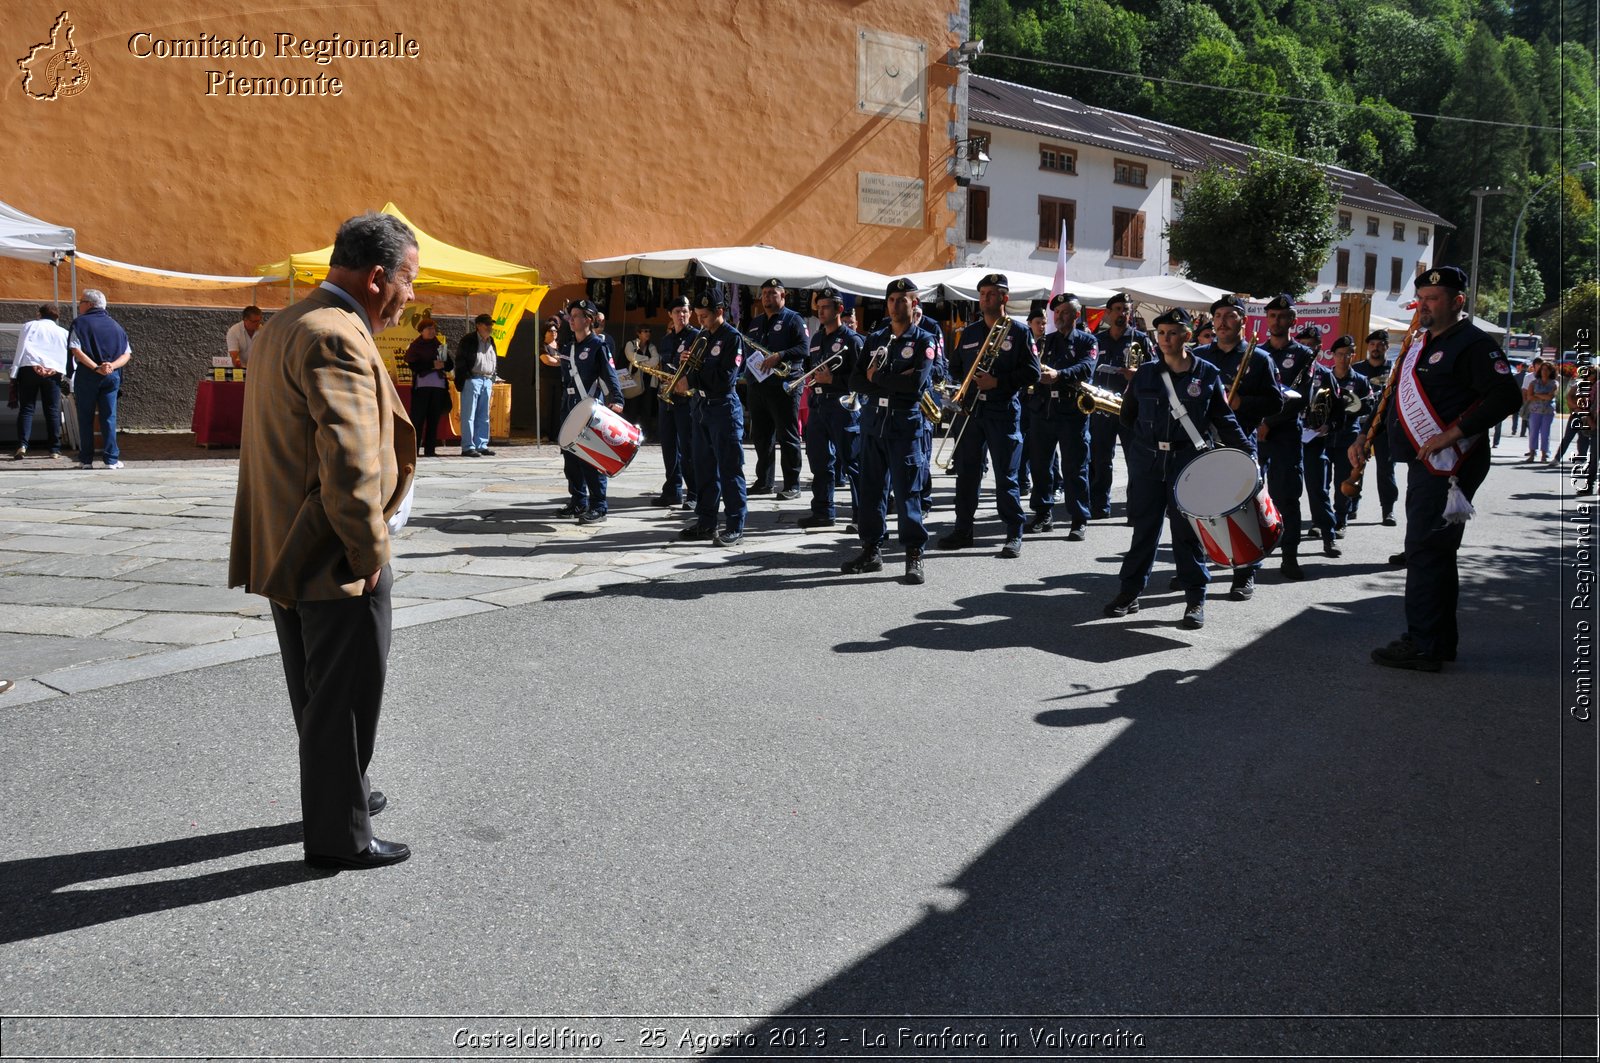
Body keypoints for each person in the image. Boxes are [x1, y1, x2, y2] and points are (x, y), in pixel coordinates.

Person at [229, 211, 419, 870]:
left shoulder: (285, 323)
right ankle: (341, 833)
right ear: (376, 277)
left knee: (316, 690)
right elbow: (348, 462)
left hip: (284, 541)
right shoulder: (335, 335)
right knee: (343, 692)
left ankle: (346, 791)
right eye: (408, 280)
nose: (411, 296)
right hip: (331, 547)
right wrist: (369, 554)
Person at [1358, 267, 1521, 672]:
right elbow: (1394, 393)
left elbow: (1505, 396)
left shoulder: (1473, 344)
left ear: (1457, 302)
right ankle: (1439, 640)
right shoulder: (1420, 342)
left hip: (1448, 464)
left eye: (1433, 298)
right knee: (1436, 551)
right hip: (1424, 461)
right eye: (1422, 297)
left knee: (1426, 550)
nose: (1424, 305)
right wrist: (1364, 435)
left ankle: (1423, 643)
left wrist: (1453, 433)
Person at [1103, 308, 1249, 630]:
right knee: (1144, 531)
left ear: (1186, 335)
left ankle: (1195, 598)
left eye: (1172, 333)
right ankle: (1129, 592)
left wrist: (1247, 454)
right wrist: (1142, 450)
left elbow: (1224, 420)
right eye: (1161, 333)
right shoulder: (1145, 374)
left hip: (1189, 466)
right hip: (1149, 464)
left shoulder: (1207, 374)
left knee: (1187, 535)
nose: (1165, 339)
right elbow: (1127, 416)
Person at [936, 273, 1040, 557]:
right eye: (982, 294)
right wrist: (964, 385)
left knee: (1006, 475)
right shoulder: (969, 333)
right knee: (966, 474)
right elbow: (955, 367)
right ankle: (963, 530)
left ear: (1004, 298)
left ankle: (1013, 532)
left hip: (1002, 409)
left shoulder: (1019, 332)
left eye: (992, 294)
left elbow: (1034, 372)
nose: (985, 299)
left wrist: (998, 381)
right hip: (972, 410)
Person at [842, 277, 935, 584]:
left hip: (903, 425)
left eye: (902, 300)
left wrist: (878, 376)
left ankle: (914, 555)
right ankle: (871, 550)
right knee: (870, 492)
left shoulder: (925, 340)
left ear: (914, 303)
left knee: (908, 491)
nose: (896, 305)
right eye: (892, 300)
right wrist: (892, 377)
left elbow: (916, 384)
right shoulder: (875, 338)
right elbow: (856, 381)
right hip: (872, 423)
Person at [1190, 293, 1283, 600]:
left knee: (1244, 508)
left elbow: (1276, 401)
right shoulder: (1200, 355)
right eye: (1217, 317)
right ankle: (1196, 569)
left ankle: (1245, 573)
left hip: (1240, 440)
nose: (1222, 322)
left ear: (1243, 321)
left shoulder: (1259, 358)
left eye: (1230, 316)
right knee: (1203, 507)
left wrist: (1244, 402)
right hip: (1202, 443)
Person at [1254, 294, 1324, 580]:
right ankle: (1249, 554)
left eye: (1282, 316)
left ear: (1293, 320)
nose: (1276, 321)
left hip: (1283, 435)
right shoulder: (1257, 353)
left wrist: (1268, 423)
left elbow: (1300, 398)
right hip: (1255, 433)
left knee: (1286, 496)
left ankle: (1290, 556)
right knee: (1249, 495)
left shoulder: (1304, 355)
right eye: (1272, 316)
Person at [675, 287, 747, 546]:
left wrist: (693, 374)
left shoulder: (732, 338)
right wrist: (686, 362)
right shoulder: (702, 336)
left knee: (729, 468)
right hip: (701, 408)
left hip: (723, 409)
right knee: (703, 467)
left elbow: (726, 379)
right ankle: (707, 521)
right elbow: (695, 370)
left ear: (719, 311)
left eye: (704, 316)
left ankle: (736, 524)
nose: (699, 321)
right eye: (698, 316)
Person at [1025, 293, 1098, 540]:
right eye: (1056, 312)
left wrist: (1059, 374)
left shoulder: (1088, 341)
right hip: (1043, 410)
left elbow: (1086, 368)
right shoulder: (1046, 340)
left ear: (1076, 315)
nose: (1059, 316)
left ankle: (1079, 518)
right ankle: (1043, 514)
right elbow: (1031, 366)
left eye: (1065, 312)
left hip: (1072, 412)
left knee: (1075, 467)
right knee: (1041, 465)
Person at [549, 300, 624, 523]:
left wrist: (617, 399)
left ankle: (598, 506)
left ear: (589, 320)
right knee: (570, 458)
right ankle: (578, 501)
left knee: (591, 459)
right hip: (569, 406)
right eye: (570, 316)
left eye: (576, 316)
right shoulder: (568, 347)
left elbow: (610, 376)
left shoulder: (599, 346)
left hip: (589, 407)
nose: (571, 320)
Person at [798, 287, 862, 530]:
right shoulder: (816, 338)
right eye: (819, 307)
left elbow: (860, 381)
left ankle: (861, 515)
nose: (820, 311)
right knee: (820, 461)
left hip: (843, 407)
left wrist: (832, 381)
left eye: (826, 307)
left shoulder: (852, 340)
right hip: (819, 405)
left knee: (852, 462)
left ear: (839, 309)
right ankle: (823, 511)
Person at [743, 278, 809, 499]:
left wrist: (780, 356)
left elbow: (804, 348)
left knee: (787, 435)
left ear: (783, 296)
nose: (767, 297)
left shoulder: (793, 320)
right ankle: (764, 481)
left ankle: (792, 485)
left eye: (772, 293)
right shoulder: (755, 322)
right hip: (758, 387)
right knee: (761, 437)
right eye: (764, 293)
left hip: (783, 386)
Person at [1304, 335, 1373, 541]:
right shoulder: (1323, 376)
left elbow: (1368, 406)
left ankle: (1341, 520)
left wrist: (1349, 407)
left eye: (1348, 354)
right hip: (1322, 437)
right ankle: (1320, 522)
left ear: (1353, 355)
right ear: (1333, 355)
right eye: (1340, 354)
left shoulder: (1360, 380)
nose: (1344, 358)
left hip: (1347, 437)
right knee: (1320, 483)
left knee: (1343, 480)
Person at [1089, 292, 1149, 520]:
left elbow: (1153, 370)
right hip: (1103, 407)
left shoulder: (1140, 339)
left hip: (1131, 408)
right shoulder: (1098, 339)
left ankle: (1134, 507)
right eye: (1117, 309)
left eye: (1125, 309)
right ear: (1108, 313)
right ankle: (1099, 506)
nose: (1122, 314)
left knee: (1135, 460)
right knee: (1101, 459)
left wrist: (1138, 374)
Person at [67, 289, 132, 470]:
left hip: (88, 375)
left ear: (89, 304)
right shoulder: (116, 326)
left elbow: (76, 349)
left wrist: (96, 367)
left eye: (81, 301)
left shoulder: (80, 323)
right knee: (109, 417)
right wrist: (111, 366)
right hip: (112, 376)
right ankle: (111, 459)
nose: (79, 305)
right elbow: (127, 354)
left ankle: (86, 459)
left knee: (85, 417)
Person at [651, 296, 699, 509]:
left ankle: (694, 492)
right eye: (677, 311)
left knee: (688, 447)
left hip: (685, 400)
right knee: (668, 447)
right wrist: (662, 375)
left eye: (685, 311)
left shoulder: (697, 337)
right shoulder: (666, 340)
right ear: (670, 315)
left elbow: (700, 369)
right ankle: (672, 490)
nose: (682, 315)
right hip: (667, 399)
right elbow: (663, 365)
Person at [8, 304, 70, 460]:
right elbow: (64, 353)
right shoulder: (63, 332)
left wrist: (18, 370)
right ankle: (54, 448)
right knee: (52, 410)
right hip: (53, 372)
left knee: (27, 408)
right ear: (57, 317)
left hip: (29, 369)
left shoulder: (29, 326)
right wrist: (55, 369)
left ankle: (22, 444)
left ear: (39, 314)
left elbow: (23, 347)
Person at [1352, 330, 1399, 525]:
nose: (1375, 348)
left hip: (1384, 427)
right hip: (1360, 426)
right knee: (1355, 466)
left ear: (1387, 347)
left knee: (1386, 469)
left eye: (1380, 344)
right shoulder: (1357, 369)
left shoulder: (1395, 370)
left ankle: (1388, 510)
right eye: (1372, 344)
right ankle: (1350, 507)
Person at [403, 316, 451, 457]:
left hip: (439, 387)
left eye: (433, 329)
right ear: (421, 331)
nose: (431, 331)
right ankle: (414, 450)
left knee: (433, 418)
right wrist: (431, 365)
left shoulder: (439, 346)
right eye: (428, 329)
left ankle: (430, 450)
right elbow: (413, 365)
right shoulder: (415, 346)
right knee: (418, 419)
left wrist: (443, 364)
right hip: (422, 387)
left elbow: (450, 364)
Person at [454, 312, 499, 457]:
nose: (490, 327)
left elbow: (494, 360)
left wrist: (492, 377)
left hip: (487, 380)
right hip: (472, 379)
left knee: (484, 415)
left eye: (491, 324)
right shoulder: (468, 340)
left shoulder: (491, 340)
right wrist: (467, 377)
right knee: (469, 415)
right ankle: (468, 447)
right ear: (478, 326)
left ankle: (481, 445)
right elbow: (460, 360)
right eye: (487, 324)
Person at [622, 324, 658, 432]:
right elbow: (631, 357)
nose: (648, 333)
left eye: (649, 331)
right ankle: (629, 433)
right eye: (645, 331)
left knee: (646, 410)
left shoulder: (651, 346)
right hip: (633, 382)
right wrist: (647, 359)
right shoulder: (630, 344)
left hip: (647, 383)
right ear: (638, 333)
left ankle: (646, 434)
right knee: (632, 410)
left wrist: (640, 362)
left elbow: (655, 361)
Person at [1522, 361, 1558, 463]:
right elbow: (1529, 396)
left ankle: (1544, 454)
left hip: (1548, 411)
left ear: (1551, 371)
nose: (1544, 372)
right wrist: (1542, 396)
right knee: (1533, 432)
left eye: (1547, 370)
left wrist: (1537, 395)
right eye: (1543, 369)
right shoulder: (1534, 383)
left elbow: (1550, 396)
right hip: (1535, 411)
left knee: (1545, 433)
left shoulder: (1554, 383)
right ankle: (1532, 454)